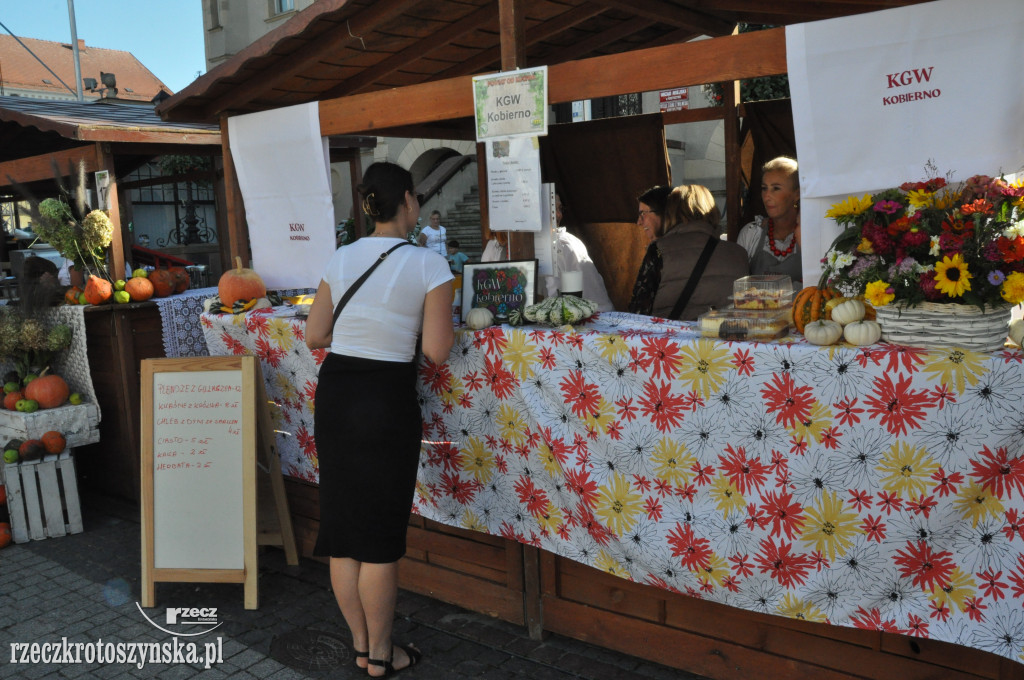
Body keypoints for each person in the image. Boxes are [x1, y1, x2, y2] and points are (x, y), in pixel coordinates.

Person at [304, 161, 454, 678]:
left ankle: (363, 647)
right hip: (385, 399)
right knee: (380, 536)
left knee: (343, 530)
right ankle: (383, 657)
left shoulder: (341, 256)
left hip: (337, 393)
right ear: (409, 200)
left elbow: (314, 334)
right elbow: (437, 350)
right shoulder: (429, 264)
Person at [628, 184, 749, 320]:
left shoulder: (659, 250)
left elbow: (638, 314)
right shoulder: (739, 254)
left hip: (672, 339)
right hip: (723, 340)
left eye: (643, 214)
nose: (639, 222)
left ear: (670, 212)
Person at [737, 156, 802, 286]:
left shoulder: (808, 235)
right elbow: (739, 287)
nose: (767, 196)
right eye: (764, 188)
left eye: (776, 188)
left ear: (797, 194)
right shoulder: (751, 233)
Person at [552, 192, 614, 311]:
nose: (558, 215)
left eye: (559, 208)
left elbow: (566, 302)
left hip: (588, 322)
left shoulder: (565, 244)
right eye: (552, 209)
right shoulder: (517, 245)